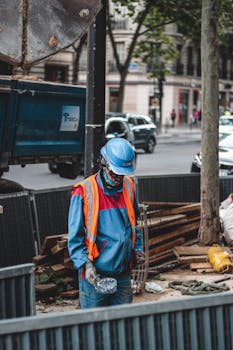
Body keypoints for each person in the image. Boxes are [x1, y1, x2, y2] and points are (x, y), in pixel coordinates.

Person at [68, 138, 145, 309]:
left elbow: (134, 224)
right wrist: (86, 265)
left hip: (123, 272)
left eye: (121, 174)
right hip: (95, 273)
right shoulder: (84, 191)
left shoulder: (129, 186)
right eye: (114, 174)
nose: (118, 179)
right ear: (104, 164)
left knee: (123, 324)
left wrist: (137, 249)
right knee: (94, 326)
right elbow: (75, 237)